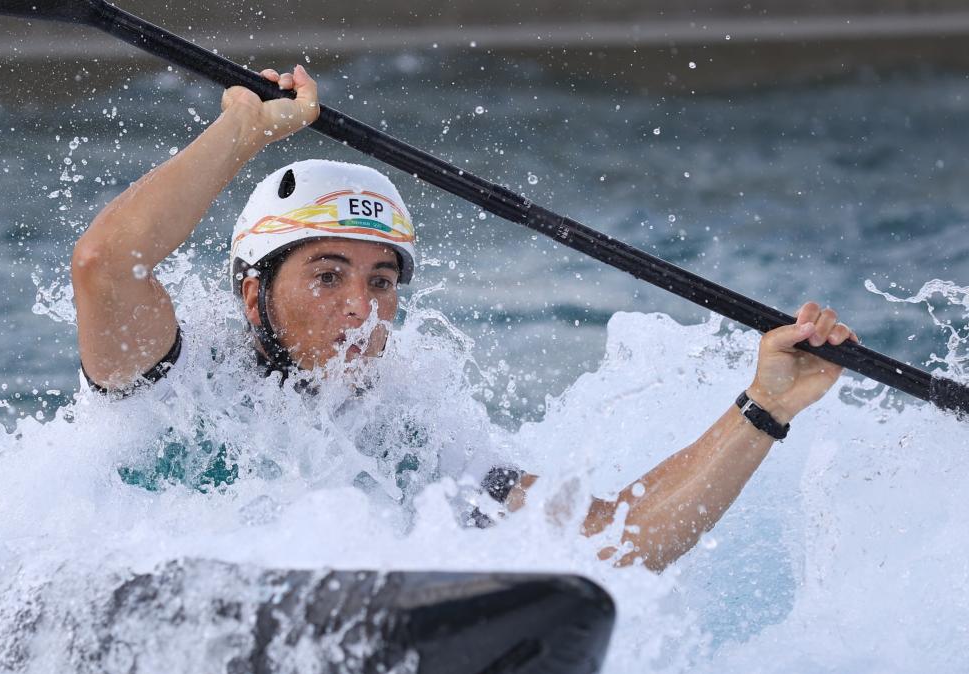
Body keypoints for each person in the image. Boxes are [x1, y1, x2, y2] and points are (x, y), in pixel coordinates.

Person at [70, 64, 858, 572]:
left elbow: (614, 538)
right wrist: (240, 132)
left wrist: (766, 404)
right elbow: (105, 264)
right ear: (253, 294)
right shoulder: (175, 372)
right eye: (328, 274)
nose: (362, 308)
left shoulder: (412, 431)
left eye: (383, 281)